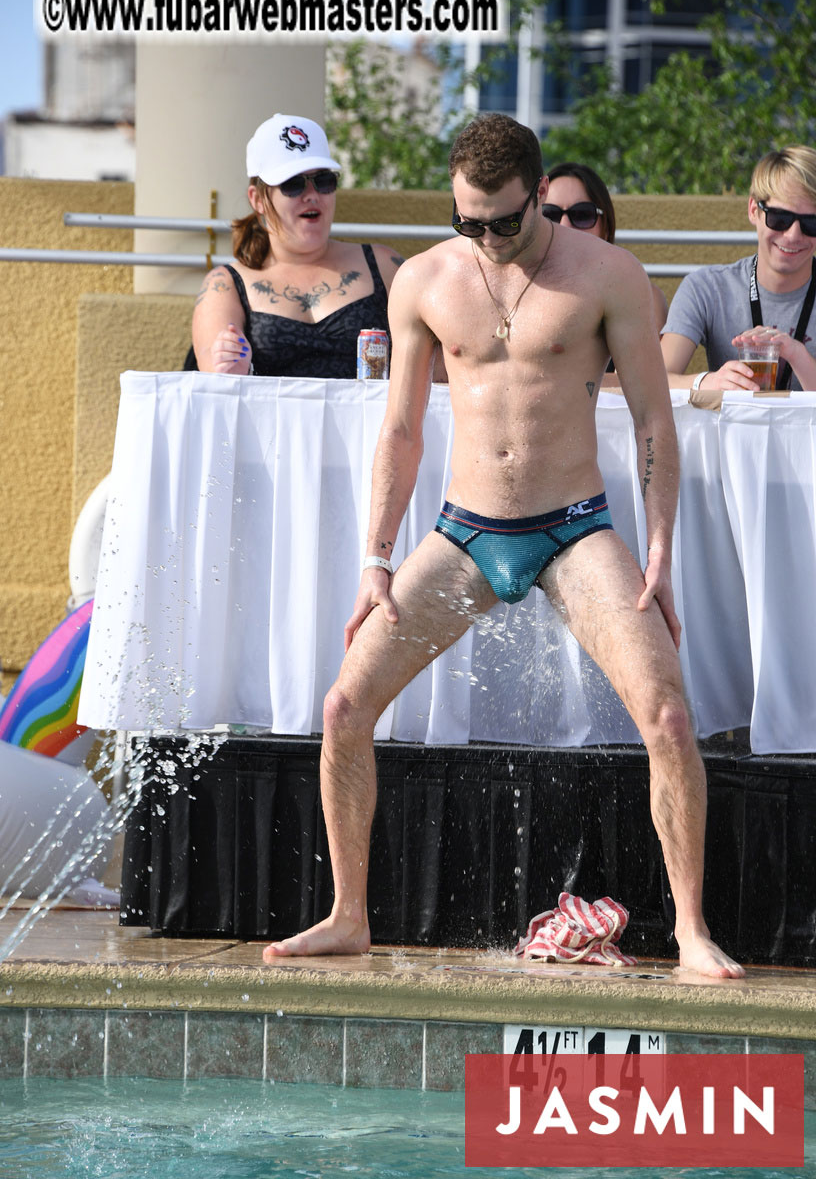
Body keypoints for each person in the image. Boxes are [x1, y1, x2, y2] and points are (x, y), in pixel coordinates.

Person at [263, 113, 744, 979]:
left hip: (574, 529)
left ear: (540, 195)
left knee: (669, 716)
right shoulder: (426, 280)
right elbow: (401, 428)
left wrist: (661, 550)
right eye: (468, 221)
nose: (486, 238)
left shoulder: (608, 276)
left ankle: (692, 930)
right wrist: (376, 558)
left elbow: (654, 423)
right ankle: (347, 915)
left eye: (504, 221)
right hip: (465, 533)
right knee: (342, 708)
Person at [191, 113, 403, 378]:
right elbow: (214, 382)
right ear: (257, 199)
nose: (312, 195)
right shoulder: (226, 285)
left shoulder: (384, 266)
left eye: (323, 181)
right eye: (293, 184)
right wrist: (229, 367)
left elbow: (435, 364)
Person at [662, 145, 816, 391]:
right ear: (754, 210)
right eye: (780, 218)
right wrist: (707, 382)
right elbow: (656, 380)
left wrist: (797, 355)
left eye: (811, 223)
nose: (792, 235)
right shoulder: (707, 287)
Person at [545, 161, 669, 334]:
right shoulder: (519, 294)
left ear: (606, 228)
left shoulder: (641, 298)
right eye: (549, 214)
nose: (565, 226)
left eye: (582, 214)